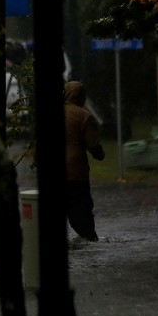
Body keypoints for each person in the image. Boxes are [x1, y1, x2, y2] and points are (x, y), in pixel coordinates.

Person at [63, 81, 105, 241]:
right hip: (75, 174)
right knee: (81, 213)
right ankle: (90, 242)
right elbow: (93, 145)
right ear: (81, 97)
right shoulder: (84, 116)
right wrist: (99, 154)